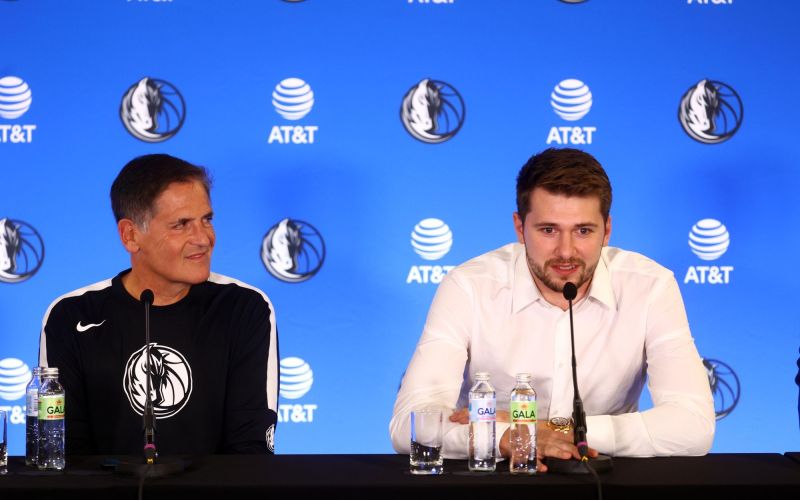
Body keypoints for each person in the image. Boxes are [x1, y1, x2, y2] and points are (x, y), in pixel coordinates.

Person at [389, 148, 714, 470]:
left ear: (607, 230)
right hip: (494, 483)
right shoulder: (469, 286)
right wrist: (506, 439)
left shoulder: (650, 286)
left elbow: (693, 426)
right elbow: (410, 425)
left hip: (603, 481)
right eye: (548, 230)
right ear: (520, 228)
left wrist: (543, 430)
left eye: (583, 231)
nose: (566, 251)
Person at [39, 154, 279, 455]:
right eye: (181, 225)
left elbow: (250, 453)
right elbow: (62, 455)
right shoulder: (71, 315)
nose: (203, 238)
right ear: (131, 235)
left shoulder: (244, 307)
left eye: (207, 220)